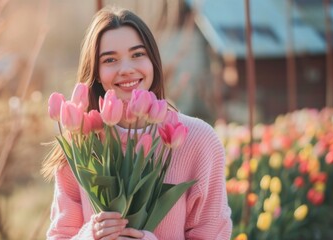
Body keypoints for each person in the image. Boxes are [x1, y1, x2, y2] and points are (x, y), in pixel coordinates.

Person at [43, 6, 232, 240]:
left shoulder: (198, 141)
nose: (126, 69)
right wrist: (90, 236)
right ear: (96, 73)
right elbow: (60, 235)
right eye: (110, 59)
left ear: (153, 61)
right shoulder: (81, 142)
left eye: (137, 54)